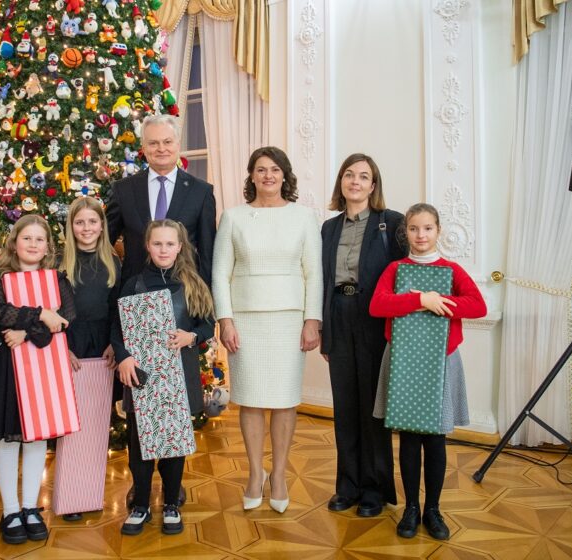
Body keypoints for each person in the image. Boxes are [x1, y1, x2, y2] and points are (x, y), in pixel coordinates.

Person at [211, 147, 321, 513]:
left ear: (285, 175)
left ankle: (279, 475)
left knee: (285, 399)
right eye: (261, 170)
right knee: (252, 398)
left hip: (289, 320)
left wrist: (311, 319)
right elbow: (220, 273)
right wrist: (225, 319)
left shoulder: (305, 217)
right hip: (246, 320)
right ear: (252, 176)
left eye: (275, 170)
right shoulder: (233, 217)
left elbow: (313, 273)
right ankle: (255, 474)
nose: (268, 176)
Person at [369, 203, 486, 540]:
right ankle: (411, 509)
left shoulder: (451, 270)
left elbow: (478, 306)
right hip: (403, 359)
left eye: (427, 228)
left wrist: (442, 303)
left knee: (434, 439)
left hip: (441, 360)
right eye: (414, 229)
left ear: (438, 231)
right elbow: (378, 305)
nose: (420, 235)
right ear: (405, 232)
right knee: (408, 436)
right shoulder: (395, 269)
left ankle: (433, 509)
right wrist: (421, 298)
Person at [111, 220, 214, 536]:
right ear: (147, 246)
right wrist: (124, 355)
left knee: (173, 445)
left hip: (178, 375)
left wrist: (192, 336)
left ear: (180, 247)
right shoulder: (133, 284)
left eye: (170, 244)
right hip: (141, 377)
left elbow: (208, 325)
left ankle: (171, 503)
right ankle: (140, 504)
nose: (164, 249)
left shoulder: (192, 285)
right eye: (158, 244)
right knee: (140, 445)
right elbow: (116, 330)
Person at [321, 153, 405, 517]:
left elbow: (407, 273)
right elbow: (323, 281)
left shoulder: (393, 223)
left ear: (373, 185)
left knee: (374, 409)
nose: (355, 181)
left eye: (363, 176)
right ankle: (348, 486)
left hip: (375, 319)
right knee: (345, 409)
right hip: (339, 314)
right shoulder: (328, 228)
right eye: (349, 175)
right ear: (341, 182)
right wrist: (323, 329)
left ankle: (374, 489)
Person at [0, 214, 76, 545]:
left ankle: (30, 507)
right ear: (14, 242)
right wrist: (41, 314)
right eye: (27, 238)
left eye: (40, 239)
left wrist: (26, 330)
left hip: (45, 366)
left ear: (47, 246)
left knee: (37, 438)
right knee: (9, 439)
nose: (33, 244)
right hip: (10, 369)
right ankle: (10, 510)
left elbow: (67, 318)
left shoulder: (57, 279)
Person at [52, 197, 121, 522]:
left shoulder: (113, 261)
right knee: (71, 422)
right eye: (80, 222)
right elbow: (51, 312)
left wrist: (113, 343)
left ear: (102, 226)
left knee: (95, 421)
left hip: (102, 347)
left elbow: (116, 308)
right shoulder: (60, 263)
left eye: (93, 222)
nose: (87, 228)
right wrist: (61, 347)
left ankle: (88, 491)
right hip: (70, 343)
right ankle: (69, 493)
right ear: (72, 226)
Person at [106, 114, 216, 285]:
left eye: (167, 142)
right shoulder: (123, 190)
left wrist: (206, 302)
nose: (161, 148)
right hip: (136, 293)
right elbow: (103, 245)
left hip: (185, 294)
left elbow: (207, 254)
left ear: (178, 145)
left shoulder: (201, 192)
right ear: (143, 147)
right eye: (153, 143)